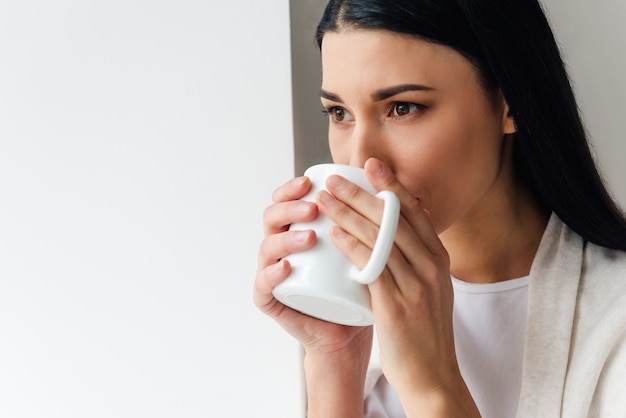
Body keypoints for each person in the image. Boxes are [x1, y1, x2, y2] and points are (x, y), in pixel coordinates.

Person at [253, 0, 626, 416]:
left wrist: (434, 388)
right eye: (339, 113)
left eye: (403, 108)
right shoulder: (356, 310)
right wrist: (334, 359)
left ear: (510, 102)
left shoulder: (614, 321)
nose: (359, 162)